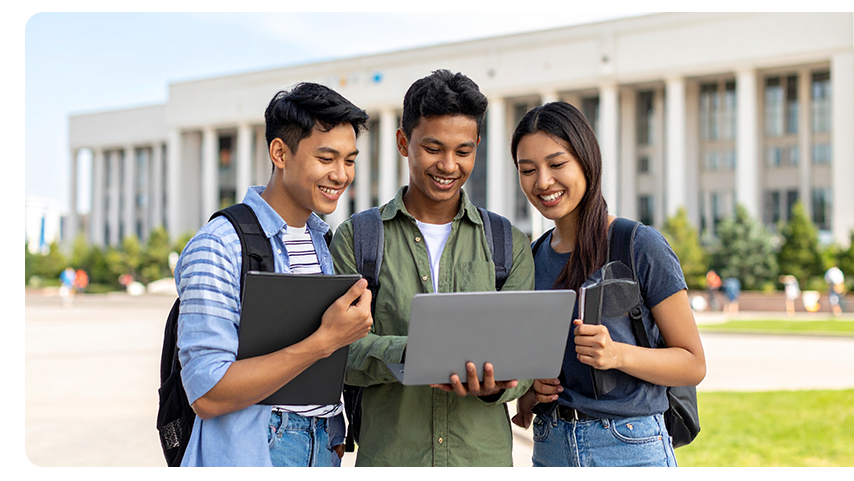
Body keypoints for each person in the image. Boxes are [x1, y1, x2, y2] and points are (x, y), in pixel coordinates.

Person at [329, 69, 535, 467]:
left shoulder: (508, 243)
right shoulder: (358, 238)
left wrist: (496, 386)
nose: (448, 165)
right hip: (391, 461)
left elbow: (524, 358)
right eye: (433, 148)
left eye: (463, 151)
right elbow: (336, 352)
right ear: (403, 143)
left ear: (477, 146)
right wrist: (412, 353)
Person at [174, 82, 373, 467]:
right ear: (280, 153)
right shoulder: (219, 245)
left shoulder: (321, 240)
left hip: (322, 447)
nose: (341, 175)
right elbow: (207, 393)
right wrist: (325, 341)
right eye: (326, 158)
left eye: (349, 160)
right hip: (257, 450)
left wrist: (331, 431)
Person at [508, 101, 706, 467]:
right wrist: (532, 391)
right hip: (551, 446)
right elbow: (537, 367)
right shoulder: (532, 258)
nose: (543, 182)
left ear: (587, 161)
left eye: (556, 164)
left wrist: (617, 354)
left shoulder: (638, 244)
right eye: (528, 170)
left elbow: (693, 364)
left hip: (629, 446)